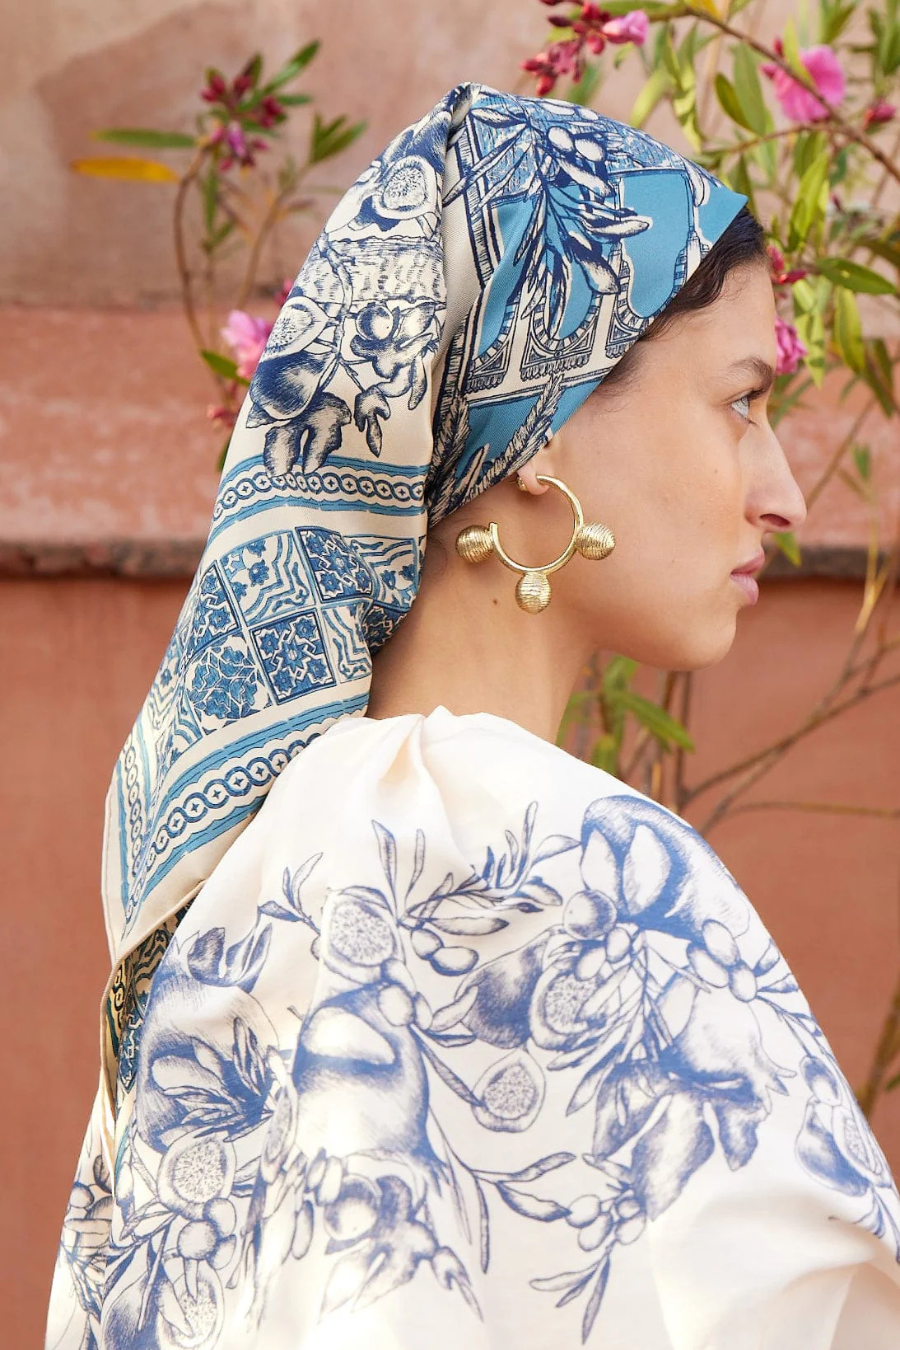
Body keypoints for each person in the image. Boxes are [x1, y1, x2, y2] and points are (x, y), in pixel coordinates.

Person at [46, 82, 900, 1350]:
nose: (783, 493)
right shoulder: (567, 862)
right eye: (740, 402)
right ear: (539, 426)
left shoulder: (253, 870)